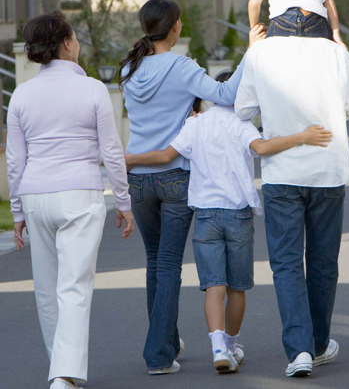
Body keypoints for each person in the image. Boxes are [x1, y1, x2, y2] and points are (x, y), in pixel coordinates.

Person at [125, 70, 333, 374]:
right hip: (238, 215)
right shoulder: (242, 124)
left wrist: (131, 159)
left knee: (214, 287)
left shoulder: (195, 124)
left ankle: (218, 348)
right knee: (237, 287)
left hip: (205, 215)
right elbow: (262, 149)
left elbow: (167, 155)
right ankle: (232, 346)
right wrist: (302, 136)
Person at [120, 0, 265, 375]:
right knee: (168, 265)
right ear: (176, 27)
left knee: (154, 262)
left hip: (138, 178)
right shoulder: (182, 67)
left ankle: (165, 338)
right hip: (173, 178)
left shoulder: (128, 69)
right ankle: (159, 356)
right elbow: (225, 96)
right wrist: (251, 52)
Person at [7, 11, 134, 389]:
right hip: (79, 194)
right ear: (66, 43)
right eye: (75, 37)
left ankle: (61, 371)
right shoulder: (93, 89)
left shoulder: (21, 94)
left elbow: (16, 160)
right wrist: (123, 202)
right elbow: (112, 151)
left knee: (47, 291)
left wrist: (16, 211)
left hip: (35, 195)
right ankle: (64, 375)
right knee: (75, 287)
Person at [235, 33, 349, 377]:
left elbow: (242, 108)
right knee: (323, 262)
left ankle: (300, 351)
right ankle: (318, 345)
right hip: (328, 170)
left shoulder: (261, 52)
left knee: (287, 264)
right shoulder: (336, 53)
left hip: (282, 172)